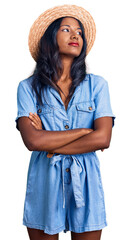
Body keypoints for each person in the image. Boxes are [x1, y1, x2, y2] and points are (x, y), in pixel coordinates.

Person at [15, 4, 115, 240]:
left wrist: (48, 142)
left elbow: (103, 138)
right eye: (66, 29)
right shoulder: (27, 88)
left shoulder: (97, 85)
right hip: (44, 181)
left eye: (79, 32)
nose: (75, 35)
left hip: (86, 182)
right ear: (50, 38)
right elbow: (31, 140)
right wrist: (84, 131)